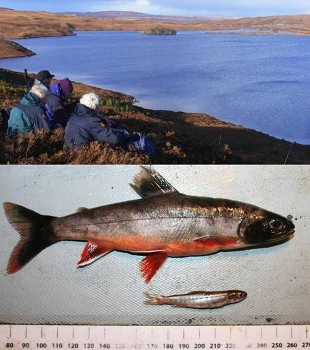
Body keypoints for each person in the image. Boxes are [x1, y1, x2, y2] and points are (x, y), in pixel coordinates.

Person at [65, 92, 129, 148]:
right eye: (98, 104)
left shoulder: (74, 115)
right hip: (83, 153)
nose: (100, 107)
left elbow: (94, 122)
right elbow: (114, 138)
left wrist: (110, 123)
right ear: (94, 106)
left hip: (70, 148)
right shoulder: (92, 121)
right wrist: (125, 135)